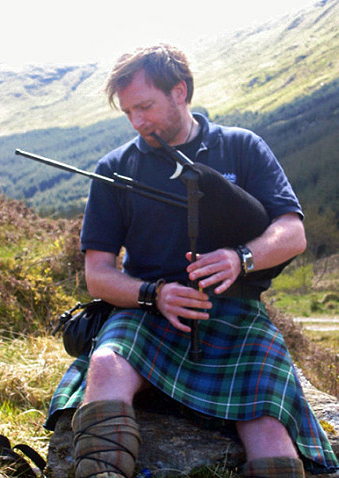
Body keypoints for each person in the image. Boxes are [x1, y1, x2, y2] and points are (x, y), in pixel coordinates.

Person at [45, 44, 339, 478]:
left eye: (145, 106)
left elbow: (292, 233)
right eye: (128, 112)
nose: (137, 121)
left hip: (236, 312)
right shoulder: (115, 167)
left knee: (271, 438)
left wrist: (242, 258)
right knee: (105, 365)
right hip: (148, 310)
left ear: (179, 91)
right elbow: (98, 275)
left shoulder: (241, 147)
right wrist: (154, 294)